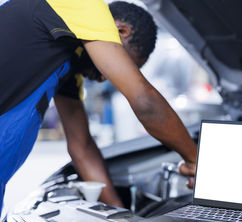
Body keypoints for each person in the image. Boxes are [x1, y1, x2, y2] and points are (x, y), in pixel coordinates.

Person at [0, 0, 197, 210]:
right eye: (125, 62)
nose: (105, 78)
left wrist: (120, 217)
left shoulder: (66, 65)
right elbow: (144, 101)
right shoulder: (85, 5)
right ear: (121, 31)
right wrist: (194, 159)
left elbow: (82, 146)